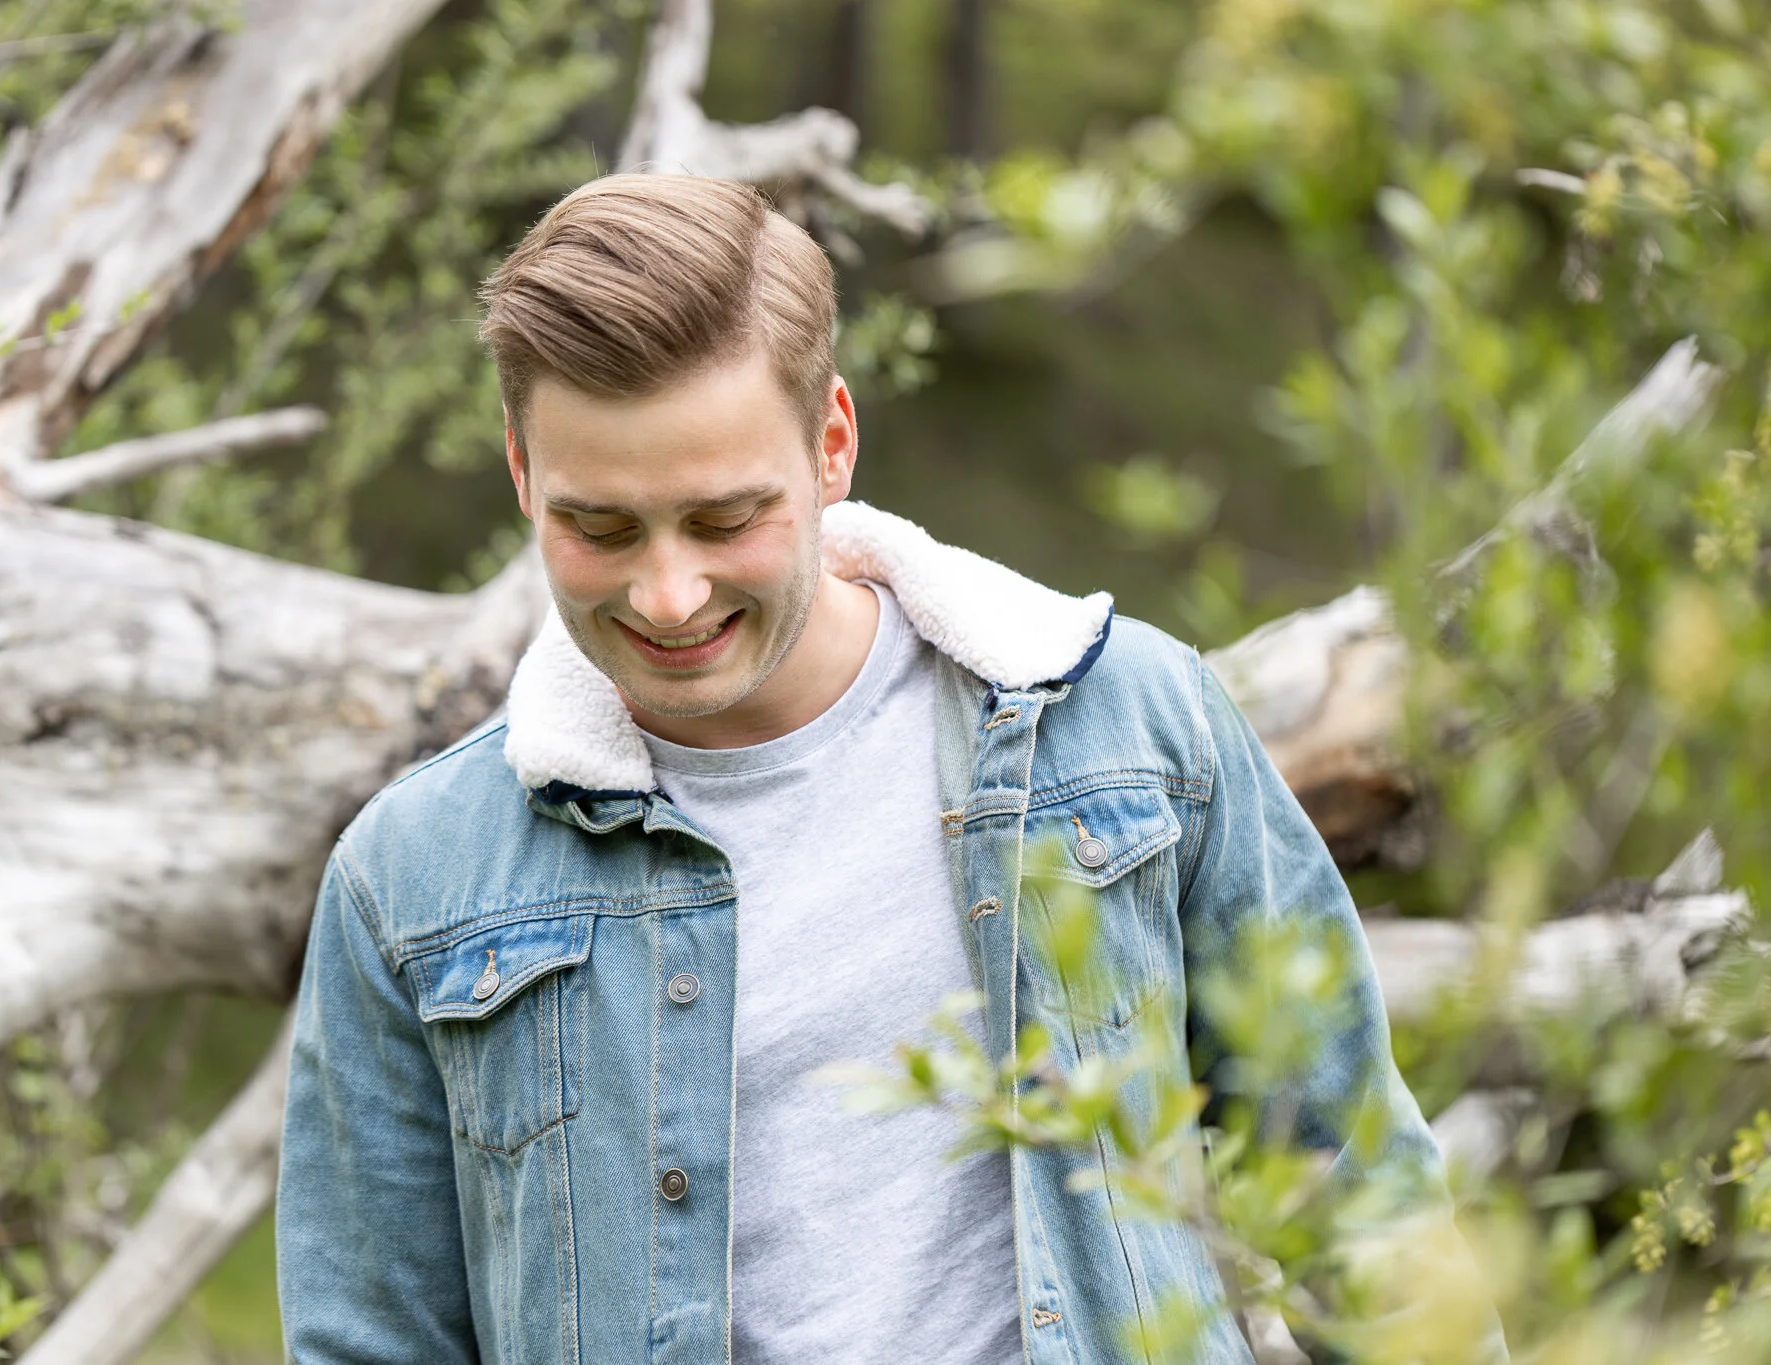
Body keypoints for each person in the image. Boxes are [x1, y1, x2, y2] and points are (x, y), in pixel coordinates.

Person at [276, 173, 1482, 1364]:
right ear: (523, 476)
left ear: (831, 445)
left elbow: (1356, 1194)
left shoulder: (1130, 725)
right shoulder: (414, 882)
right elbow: (368, 1340)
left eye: (722, 519)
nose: (666, 594)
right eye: (598, 530)